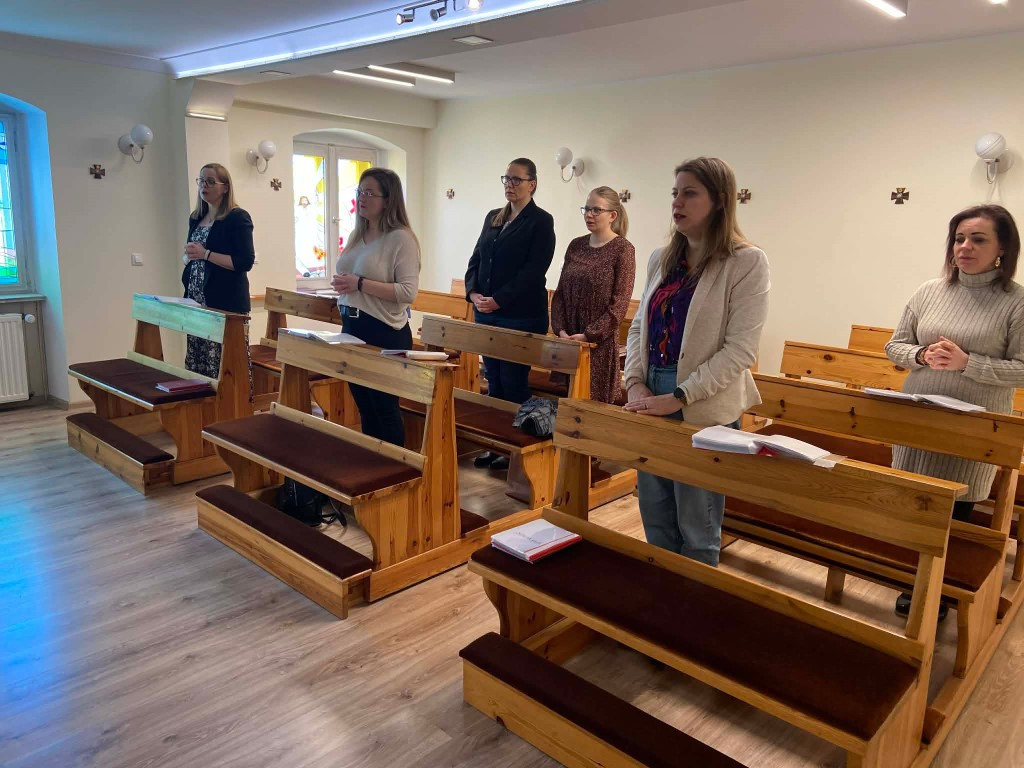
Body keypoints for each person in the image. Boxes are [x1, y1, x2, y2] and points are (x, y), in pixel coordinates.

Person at [622, 157, 770, 566]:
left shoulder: (746, 261)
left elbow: (741, 350)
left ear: (719, 200)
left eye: (690, 193)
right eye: (675, 193)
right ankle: (661, 591)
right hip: (650, 392)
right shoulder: (661, 258)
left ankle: (695, 599)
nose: (677, 202)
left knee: (697, 524)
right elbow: (639, 327)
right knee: (655, 512)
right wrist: (634, 382)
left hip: (703, 402)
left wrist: (681, 396)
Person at [886, 204, 1024, 618]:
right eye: (959, 238)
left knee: (955, 511)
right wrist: (922, 355)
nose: (965, 247)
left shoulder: (1016, 302)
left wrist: (968, 363)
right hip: (919, 414)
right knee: (911, 501)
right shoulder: (929, 291)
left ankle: (938, 592)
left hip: (974, 425)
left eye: (978, 239)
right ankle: (909, 574)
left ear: (1002, 248)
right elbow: (895, 346)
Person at [465, 157, 556, 470]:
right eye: (506, 178)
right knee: (494, 383)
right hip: (487, 313)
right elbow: (477, 259)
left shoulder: (540, 221)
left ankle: (518, 450)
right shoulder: (494, 216)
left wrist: (499, 300)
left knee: (513, 383)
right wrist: (473, 293)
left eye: (517, 179)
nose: (510, 184)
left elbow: (534, 270)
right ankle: (496, 444)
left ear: (532, 184)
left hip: (520, 315)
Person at [331, 168, 420, 447]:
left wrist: (359, 284)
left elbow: (408, 292)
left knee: (384, 409)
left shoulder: (401, 238)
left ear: (388, 199)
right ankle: (372, 468)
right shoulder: (358, 234)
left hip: (384, 331)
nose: (362, 198)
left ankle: (394, 469)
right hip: (352, 327)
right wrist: (345, 286)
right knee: (366, 409)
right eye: (360, 191)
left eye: (370, 193)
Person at [550, 186, 636, 404]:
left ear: (612, 215)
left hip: (598, 344)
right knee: (567, 405)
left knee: (592, 407)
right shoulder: (576, 245)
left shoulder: (623, 249)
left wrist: (589, 335)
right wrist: (561, 330)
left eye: (596, 210)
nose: (589, 214)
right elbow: (560, 294)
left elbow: (620, 304)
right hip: (569, 339)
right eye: (586, 209)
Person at [182, 163, 255, 390]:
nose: (204, 186)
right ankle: (201, 407)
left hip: (225, 303)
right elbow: (193, 254)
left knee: (225, 365)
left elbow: (244, 262)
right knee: (198, 364)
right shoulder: (196, 217)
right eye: (201, 180)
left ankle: (232, 406)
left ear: (225, 187)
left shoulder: (237, 217)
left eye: (210, 181)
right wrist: (189, 256)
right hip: (196, 303)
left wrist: (205, 254)